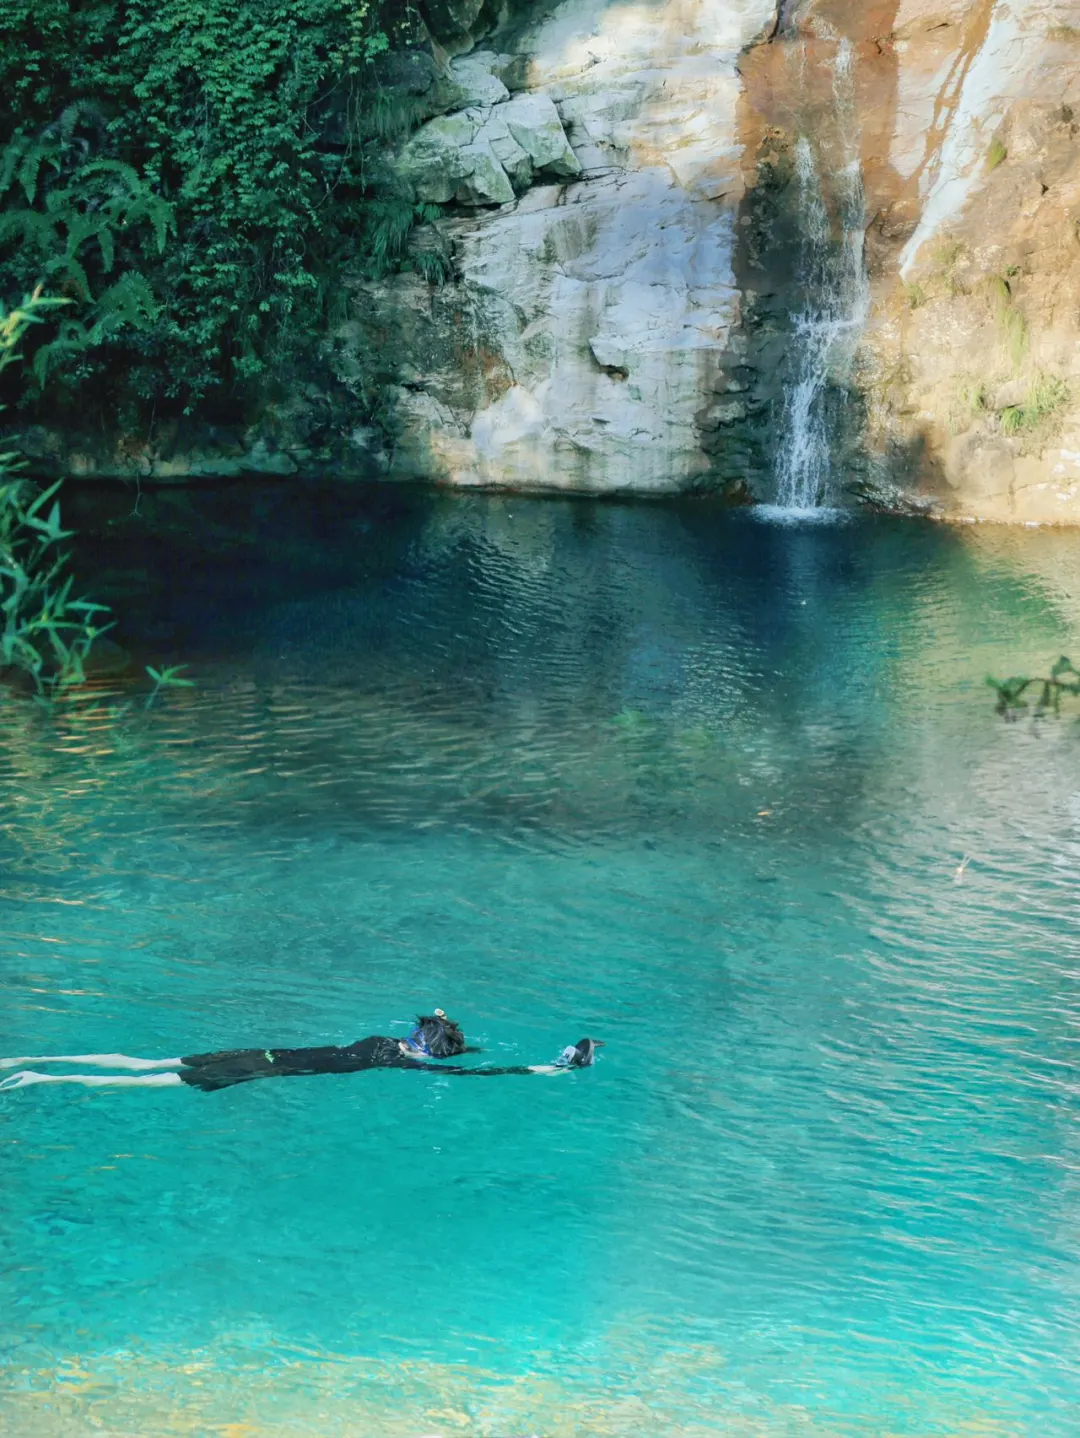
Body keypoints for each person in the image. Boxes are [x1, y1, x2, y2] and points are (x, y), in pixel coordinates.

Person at [0, 1009, 604, 1092]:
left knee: (144, 1065)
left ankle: (21, 1065)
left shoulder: (382, 1041)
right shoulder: (394, 1060)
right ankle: (38, 1080)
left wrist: (444, 1022)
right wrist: (554, 1065)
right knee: (143, 1086)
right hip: (262, 1071)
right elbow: (491, 1071)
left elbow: (439, 1022)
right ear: (431, 1054)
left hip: (264, 1049)